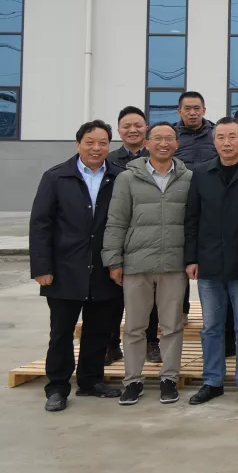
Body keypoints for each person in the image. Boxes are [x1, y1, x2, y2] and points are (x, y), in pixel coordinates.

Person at [30, 120, 124, 412]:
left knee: (99, 330)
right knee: (61, 332)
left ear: (109, 146)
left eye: (103, 143)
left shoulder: (119, 177)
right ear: (78, 144)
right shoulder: (56, 177)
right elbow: (40, 224)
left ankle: (90, 381)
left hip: (105, 269)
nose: (96, 148)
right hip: (64, 269)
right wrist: (41, 267)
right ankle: (57, 387)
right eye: (90, 142)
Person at [102, 121, 193, 406]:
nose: (163, 144)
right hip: (136, 264)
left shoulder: (189, 178)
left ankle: (169, 378)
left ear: (177, 144)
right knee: (134, 326)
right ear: (147, 143)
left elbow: (194, 222)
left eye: (169, 139)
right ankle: (132, 380)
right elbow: (116, 221)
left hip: (174, 264)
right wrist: (113, 260)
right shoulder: (128, 178)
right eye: (157, 138)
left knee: (172, 326)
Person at [184, 117, 238, 407]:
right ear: (214, 141)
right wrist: (191, 257)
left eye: (233, 137)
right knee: (211, 327)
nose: (227, 143)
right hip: (209, 263)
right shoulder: (200, 173)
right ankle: (212, 381)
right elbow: (192, 218)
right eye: (221, 137)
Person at [104, 105, 148, 365]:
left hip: (147, 236)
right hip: (118, 232)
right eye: (127, 126)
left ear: (146, 128)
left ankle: (152, 343)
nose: (133, 130)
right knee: (113, 297)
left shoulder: (156, 156)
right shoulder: (109, 160)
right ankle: (111, 345)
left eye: (138, 125)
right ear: (119, 131)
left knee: (150, 299)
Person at [173, 91, 217, 167]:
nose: (192, 113)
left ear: (204, 111)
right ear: (179, 112)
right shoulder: (171, 135)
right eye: (187, 109)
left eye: (196, 108)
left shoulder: (216, 133)